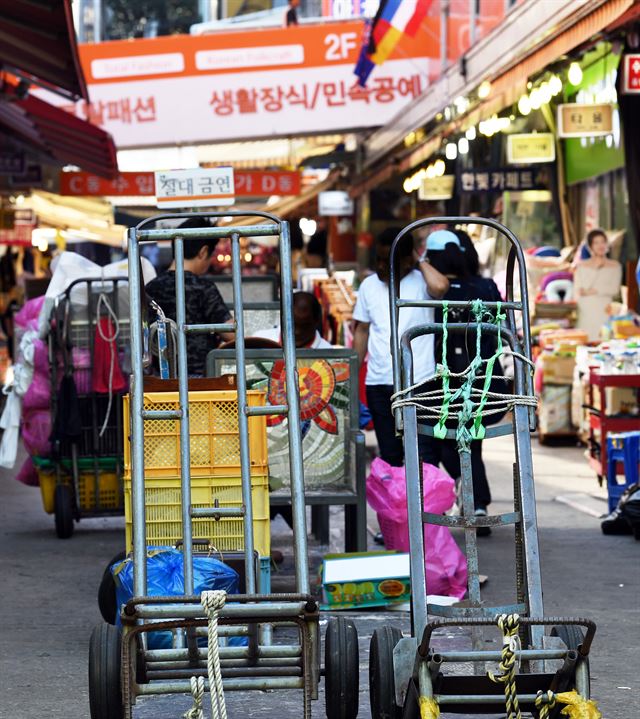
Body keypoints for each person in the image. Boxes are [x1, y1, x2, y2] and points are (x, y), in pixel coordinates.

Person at [426, 229, 507, 535]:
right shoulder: (485, 285)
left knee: (451, 443)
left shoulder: (435, 289)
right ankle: (476, 502)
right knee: (471, 442)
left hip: (448, 382)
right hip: (487, 380)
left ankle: (473, 501)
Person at [353, 227, 449, 468]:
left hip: (421, 381)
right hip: (379, 382)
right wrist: (352, 373)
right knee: (390, 455)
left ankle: (428, 506)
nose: (382, 266)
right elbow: (362, 330)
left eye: (389, 260)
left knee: (425, 453)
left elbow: (440, 287)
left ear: (408, 259)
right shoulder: (368, 286)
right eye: (379, 259)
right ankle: (396, 505)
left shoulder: (422, 283)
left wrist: (419, 259)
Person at [145, 217, 233, 376]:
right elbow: (231, 333)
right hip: (200, 380)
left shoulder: (151, 288)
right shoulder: (203, 287)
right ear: (203, 252)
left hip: (160, 380)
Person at [574, 229, 621, 342]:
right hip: (586, 311)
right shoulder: (581, 265)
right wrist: (596, 268)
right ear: (590, 246)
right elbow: (579, 290)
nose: (600, 245)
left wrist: (593, 291)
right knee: (585, 344)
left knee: (605, 343)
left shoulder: (615, 266)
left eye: (603, 242)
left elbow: (614, 289)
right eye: (596, 242)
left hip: (605, 309)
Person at [252, 291, 332, 349]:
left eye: (304, 326)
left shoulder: (328, 354)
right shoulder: (259, 341)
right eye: (292, 325)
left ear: (316, 321)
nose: (297, 332)